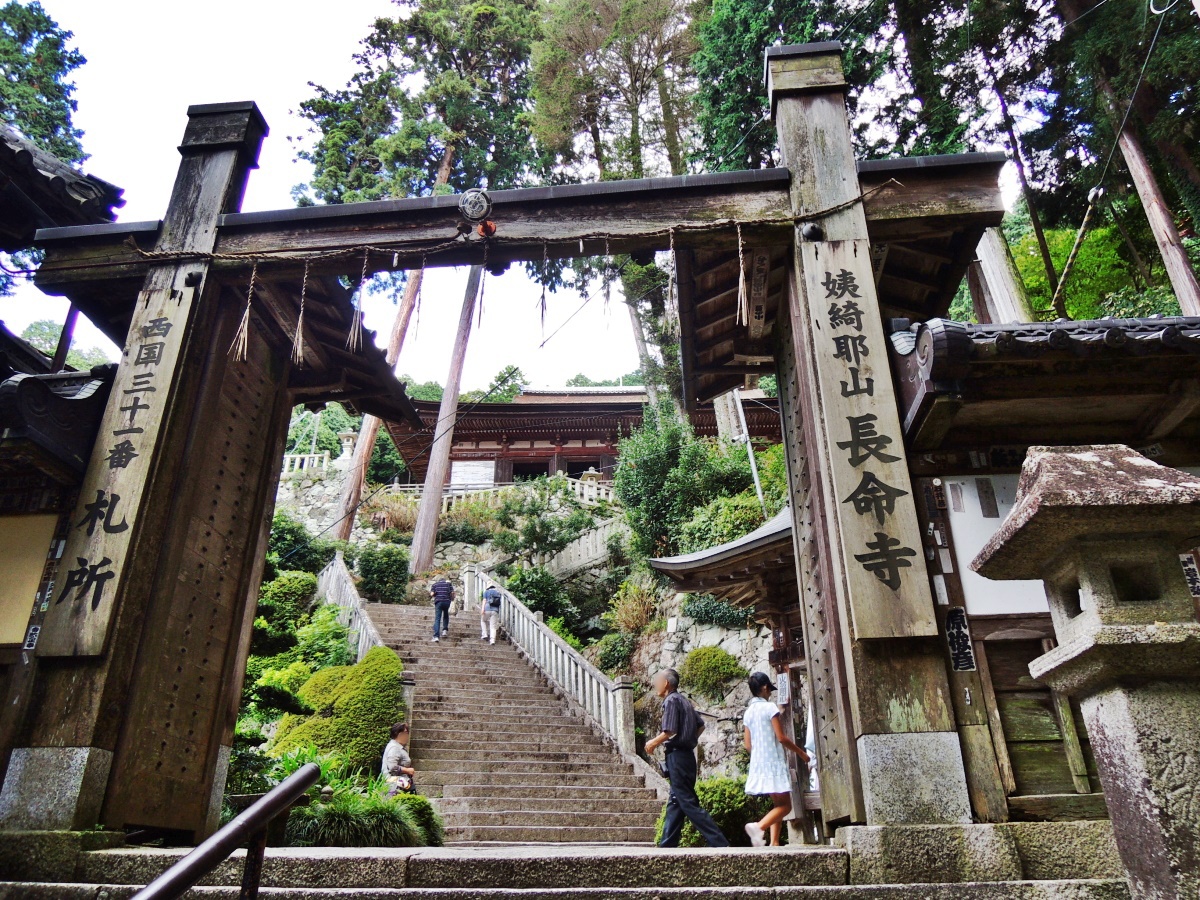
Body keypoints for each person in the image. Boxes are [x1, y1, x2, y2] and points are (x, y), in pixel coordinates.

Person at [644, 668, 730, 848]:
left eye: (658, 681)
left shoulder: (671, 700)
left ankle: (719, 842)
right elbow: (701, 725)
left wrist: (653, 743)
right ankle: (667, 845)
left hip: (677, 757)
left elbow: (670, 730)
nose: (655, 685)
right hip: (686, 757)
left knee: (688, 802)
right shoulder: (684, 700)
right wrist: (689, 740)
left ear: (666, 683)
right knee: (676, 801)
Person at [742, 671, 809, 847]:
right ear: (764, 688)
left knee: (778, 804)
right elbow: (781, 737)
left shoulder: (748, 713)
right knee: (786, 806)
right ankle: (759, 827)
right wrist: (801, 753)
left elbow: (747, 745)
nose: (770, 692)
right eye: (769, 689)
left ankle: (774, 842)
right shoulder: (769, 707)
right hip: (773, 761)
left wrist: (759, 757)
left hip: (759, 763)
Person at [382, 722, 415, 797]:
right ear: (399, 734)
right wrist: (408, 770)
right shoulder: (394, 748)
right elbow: (392, 767)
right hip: (394, 785)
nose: (407, 736)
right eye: (405, 733)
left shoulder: (397, 746)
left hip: (399, 784)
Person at [429, 576, 455, 642]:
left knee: (437, 618)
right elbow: (452, 593)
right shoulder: (448, 584)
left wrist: (435, 594)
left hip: (439, 602)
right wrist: (452, 599)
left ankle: (436, 636)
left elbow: (431, 594)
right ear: (444, 580)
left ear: (438, 580)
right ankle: (444, 631)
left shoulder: (435, 585)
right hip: (447, 602)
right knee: (446, 615)